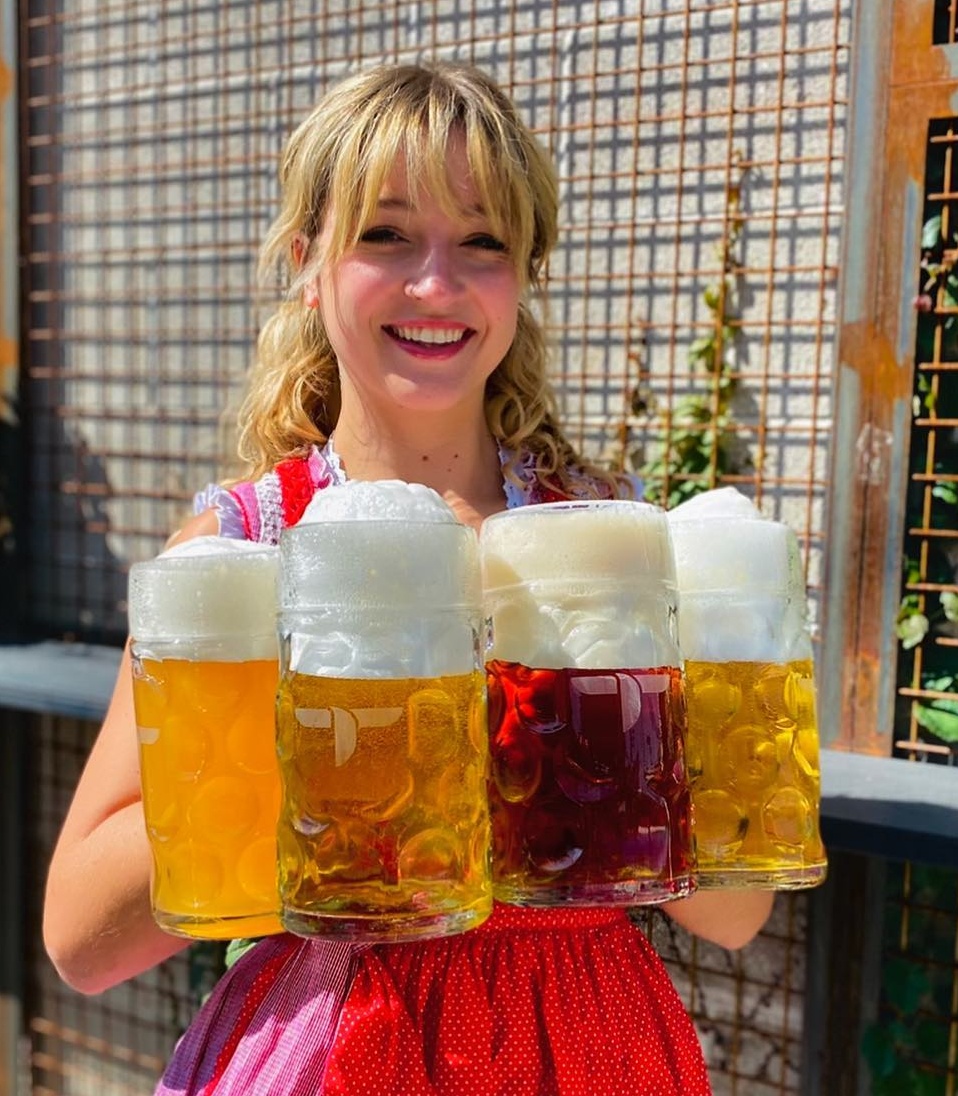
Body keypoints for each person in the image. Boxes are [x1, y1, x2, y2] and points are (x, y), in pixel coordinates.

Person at [43, 60, 774, 1095]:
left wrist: (604, 755)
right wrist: (337, 720)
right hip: (336, 1041)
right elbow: (81, 938)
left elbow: (737, 912)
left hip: (584, 1044)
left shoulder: (607, 535)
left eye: (483, 241)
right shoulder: (243, 542)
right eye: (385, 234)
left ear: (521, 277)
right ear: (308, 263)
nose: (437, 283)